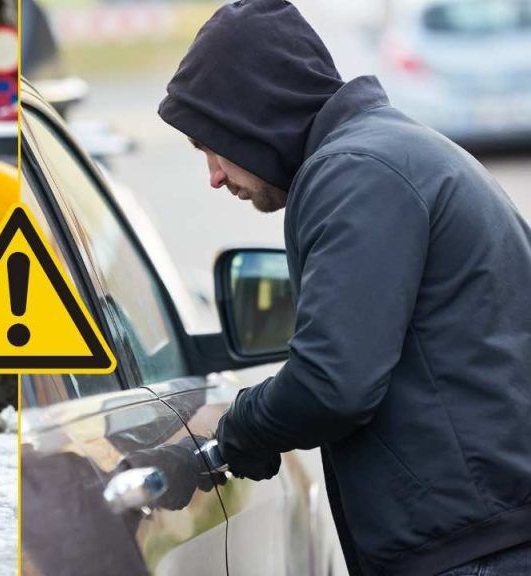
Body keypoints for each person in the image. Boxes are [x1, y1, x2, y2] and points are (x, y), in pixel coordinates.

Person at [158, 1, 531, 575]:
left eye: (209, 144)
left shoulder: (357, 172)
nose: (213, 174)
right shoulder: (391, 153)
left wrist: (233, 435)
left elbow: (332, 382)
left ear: (249, 114)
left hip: (477, 552)